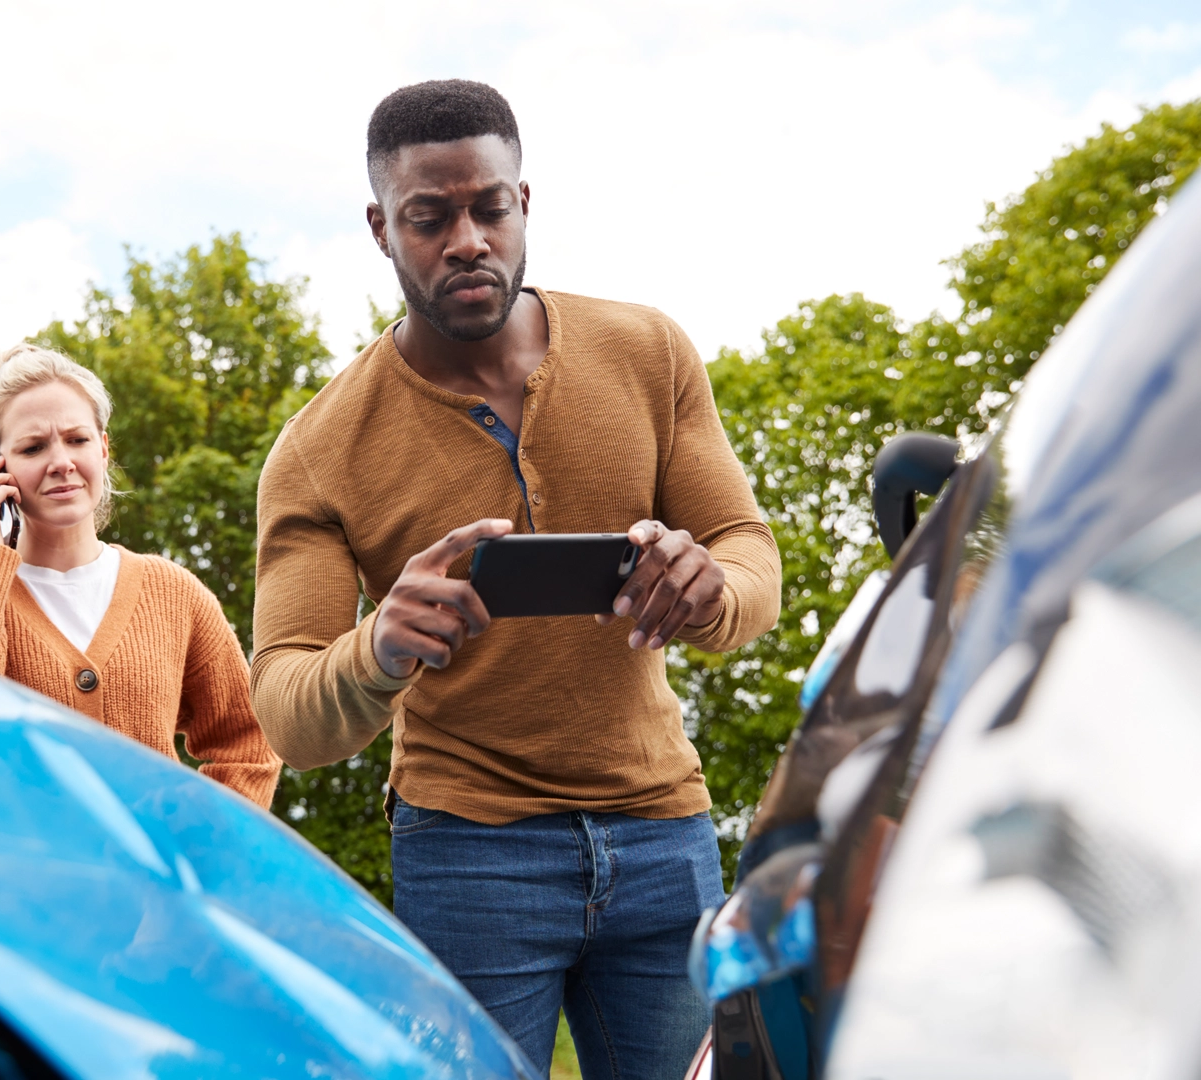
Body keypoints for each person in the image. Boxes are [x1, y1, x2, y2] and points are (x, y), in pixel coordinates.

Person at [250, 80, 780, 1076]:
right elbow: (288, 711)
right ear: (380, 228)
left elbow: (750, 554)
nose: (467, 241)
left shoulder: (649, 351)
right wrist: (379, 649)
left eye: (489, 208)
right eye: (428, 218)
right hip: (468, 853)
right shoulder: (319, 450)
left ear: (523, 203)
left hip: (663, 833)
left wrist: (710, 586)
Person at [0, 343, 280, 807]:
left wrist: (195, 839)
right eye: (33, 447)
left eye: (77, 440)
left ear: (103, 447)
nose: (61, 462)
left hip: (148, 859)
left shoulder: (174, 593)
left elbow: (248, 745)